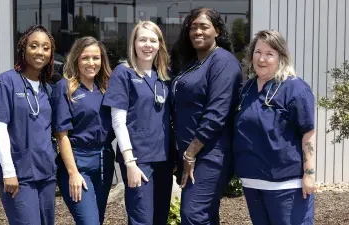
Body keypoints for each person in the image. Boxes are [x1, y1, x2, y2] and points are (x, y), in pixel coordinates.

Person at [233, 29, 318, 225]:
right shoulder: (247, 90)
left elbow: (308, 133)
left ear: (281, 57)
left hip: (286, 186)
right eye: (258, 52)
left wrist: (309, 175)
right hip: (253, 183)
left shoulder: (295, 88)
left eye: (269, 54)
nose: (262, 59)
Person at [170, 7, 243, 225]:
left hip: (210, 155)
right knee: (206, 216)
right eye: (193, 27)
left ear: (217, 31)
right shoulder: (193, 63)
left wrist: (190, 154)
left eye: (204, 26)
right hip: (191, 155)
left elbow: (216, 113)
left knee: (193, 215)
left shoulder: (223, 61)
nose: (198, 32)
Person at [0, 25, 57, 225]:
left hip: (46, 173)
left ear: (51, 54)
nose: (39, 52)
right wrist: (8, 172)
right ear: (23, 49)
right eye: (34, 46)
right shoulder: (5, 83)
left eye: (45, 47)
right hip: (18, 175)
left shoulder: (47, 90)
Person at [103, 21, 173, 225]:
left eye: (153, 40)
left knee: (160, 217)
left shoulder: (164, 77)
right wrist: (129, 162)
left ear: (160, 44)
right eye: (142, 39)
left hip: (164, 159)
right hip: (138, 159)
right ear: (134, 43)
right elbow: (118, 121)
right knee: (141, 219)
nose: (147, 45)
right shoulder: (123, 73)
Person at [50, 36, 114, 225]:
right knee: (89, 222)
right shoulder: (65, 87)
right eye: (85, 57)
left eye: (96, 58)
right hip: (78, 162)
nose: (91, 63)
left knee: (97, 220)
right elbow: (61, 135)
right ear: (76, 59)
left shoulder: (106, 88)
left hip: (104, 161)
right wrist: (73, 173)